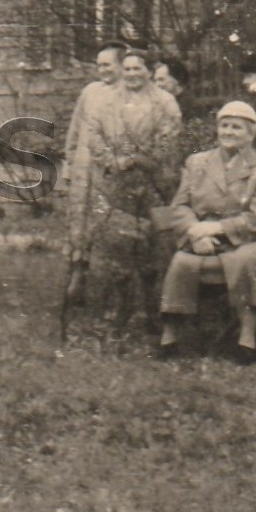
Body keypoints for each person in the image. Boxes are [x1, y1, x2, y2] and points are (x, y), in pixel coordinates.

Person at [156, 101, 256, 365]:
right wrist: (195, 233)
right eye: (224, 125)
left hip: (249, 240)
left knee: (244, 260)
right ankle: (170, 336)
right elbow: (179, 206)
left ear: (250, 134)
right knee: (183, 261)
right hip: (201, 237)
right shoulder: (197, 162)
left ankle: (247, 337)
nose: (229, 132)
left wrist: (215, 228)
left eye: (237, 127)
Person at [84, 49, 182, 325]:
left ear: (150, 71)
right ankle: (119, 310)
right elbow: (93, 135)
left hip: (155, 182)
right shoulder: (106, 102)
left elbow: (168, 138)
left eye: (137, 69)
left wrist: (142, 160)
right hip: (118, 182)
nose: (131, 74)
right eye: (126, 69)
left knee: (154, 247)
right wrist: (114, 161)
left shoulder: (166, 102)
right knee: (119, 244)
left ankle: (154, 311)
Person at [62, 40, 127, 303]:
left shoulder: (132, 94)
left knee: (108, 226)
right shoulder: (90, 91)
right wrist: (68, 166)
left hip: (111, 172)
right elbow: (75, 131)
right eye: (99, 65)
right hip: (83, 168)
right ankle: (78, 279)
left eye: (108, 65)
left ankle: (113, 291)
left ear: (122, 65)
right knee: (80, 223)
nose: (103, 70)